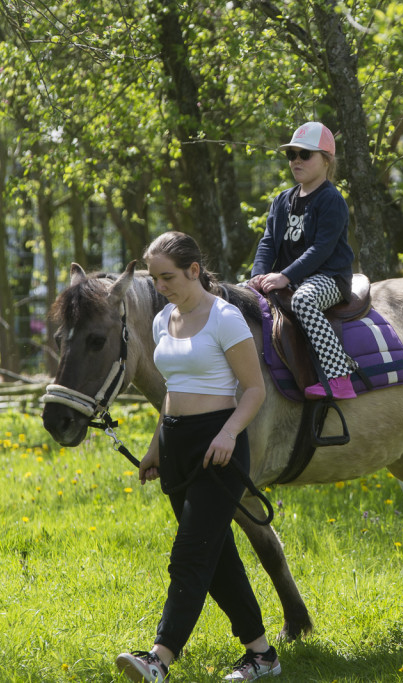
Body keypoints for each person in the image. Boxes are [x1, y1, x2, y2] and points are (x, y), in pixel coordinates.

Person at [116, 231, 280, 682]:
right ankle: (262, 654)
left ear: (193, 270)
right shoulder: (163, 319)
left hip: (218, 447)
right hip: (176, 445)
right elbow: (172, 392)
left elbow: (254, 389)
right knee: (217, 554)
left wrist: (229, 434)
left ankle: (159, 658)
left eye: (167, 276)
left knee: (190, 554)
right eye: (154, 277)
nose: (160, 286)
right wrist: (155, 447)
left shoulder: (225, 319)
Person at [248, 121, 357, 400]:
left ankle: (339, 376)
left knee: (303, 300)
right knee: (237, 296)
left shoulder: (331, 200)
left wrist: (285, 276)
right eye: (291, 155)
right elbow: (269, 242)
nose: (296, 160)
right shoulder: (282, 200)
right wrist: (257, 275)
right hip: (291, 278)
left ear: (326, 160)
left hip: (328, 278)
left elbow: (322, 249)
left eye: (305, 154)